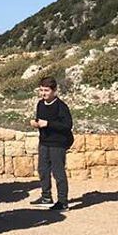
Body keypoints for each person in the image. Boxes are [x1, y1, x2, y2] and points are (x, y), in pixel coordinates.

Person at [29, 76, 73, 211]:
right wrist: (36, 123)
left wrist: (48, 124)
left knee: (58, 172)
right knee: (42, 170)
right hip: (44, 142)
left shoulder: (61, 106)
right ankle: (46, 197)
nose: (43, 93)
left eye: (46, 90)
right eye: (41, 90)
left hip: (58, 143)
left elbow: (67, 125)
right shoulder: (40, 104)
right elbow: (40, 120)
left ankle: (63, 202)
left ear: (54, 91)